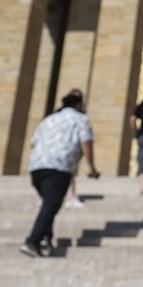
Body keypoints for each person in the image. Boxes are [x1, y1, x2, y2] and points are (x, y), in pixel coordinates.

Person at [21, 92, 100, 258]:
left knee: (49, 203)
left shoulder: (49, 119)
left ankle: (45, 238)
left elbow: (33, 142)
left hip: (37, 166)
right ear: (78, 105)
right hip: (58, 166)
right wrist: (91, 167)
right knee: (51, 204)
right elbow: (86, 141)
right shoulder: (80, 119)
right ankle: (32, 241)